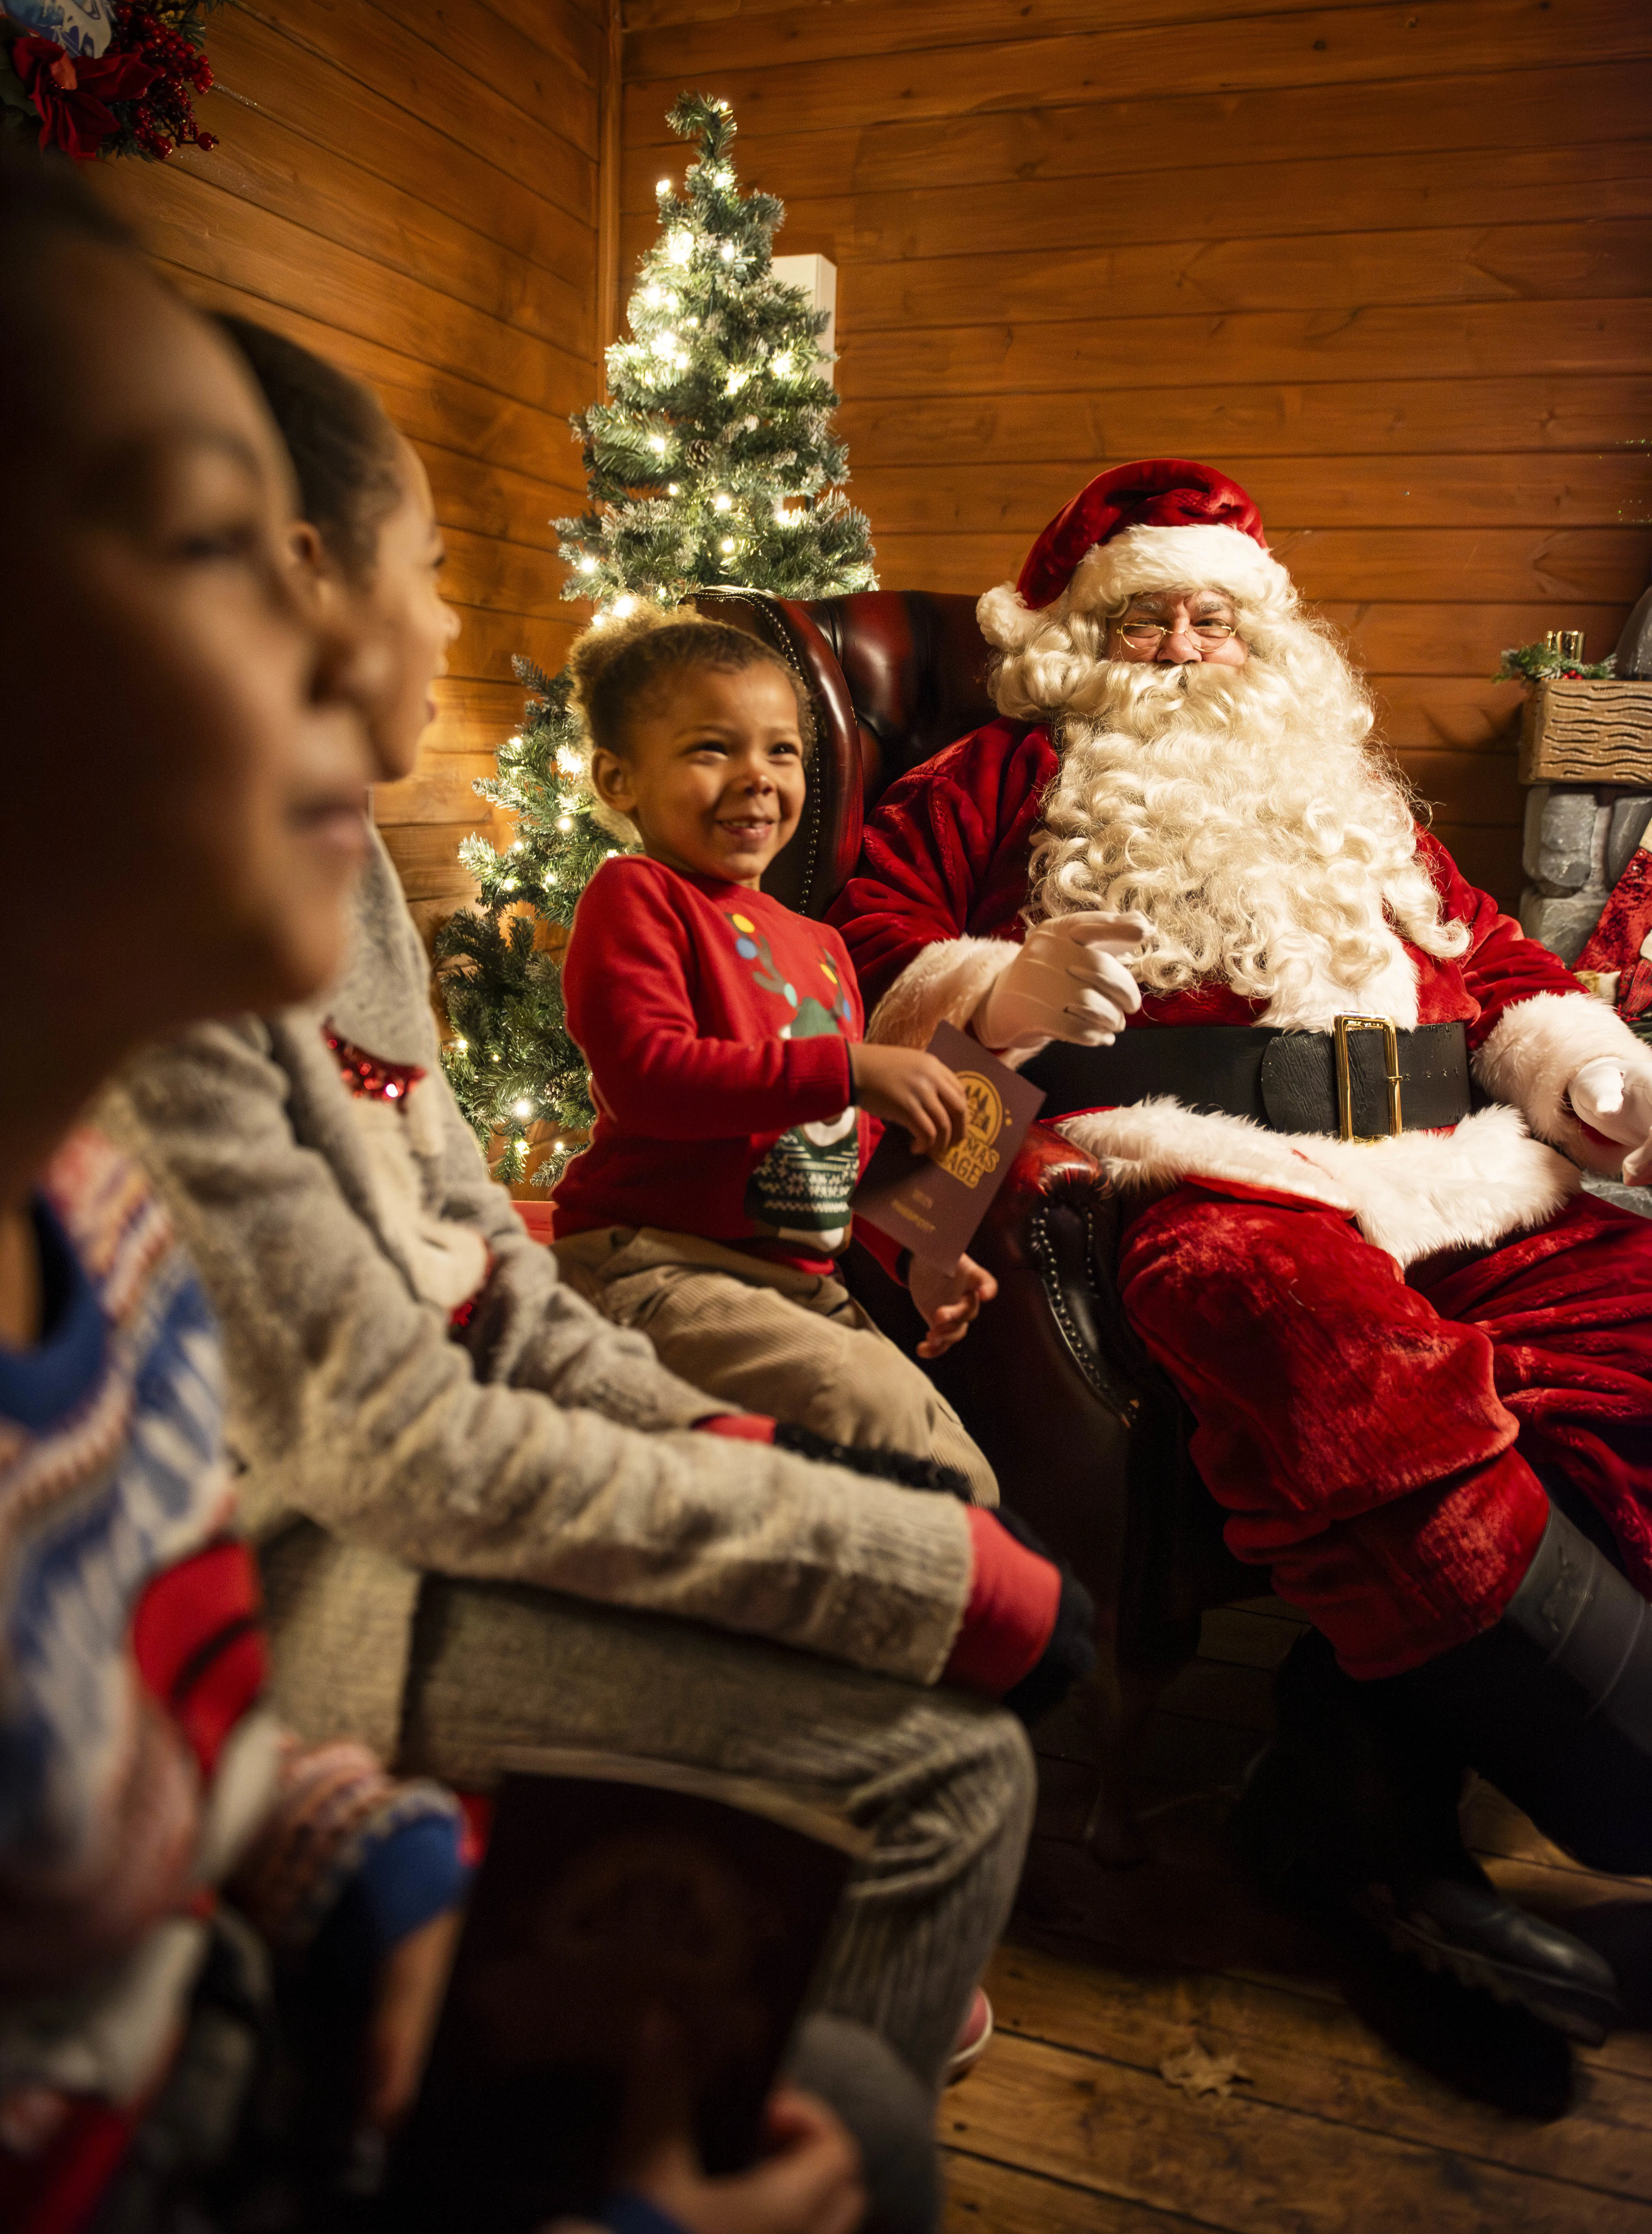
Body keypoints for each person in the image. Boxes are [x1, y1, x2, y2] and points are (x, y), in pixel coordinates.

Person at [100, 320, 1088, 2119]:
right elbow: (385, 1422)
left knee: (905, 1586)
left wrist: (746, 1442)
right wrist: (866, 1549)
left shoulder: (360, 889)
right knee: (941, 1770)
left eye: (785, 753)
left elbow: (485, 1263)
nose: (444, 618)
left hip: (570, 1400)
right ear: (316, 582)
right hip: (329, 1573)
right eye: (440, 568)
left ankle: (772, 2091)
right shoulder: (164, 945)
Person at [829, 456, 1652, 2047]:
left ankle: (1351, 1778)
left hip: (1451, 1166)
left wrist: (1574, 1060)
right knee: (1324, 1344)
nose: (1192, 646)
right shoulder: (997, 780)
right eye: (1151, 619)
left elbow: (1488, 960)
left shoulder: (1341, 793)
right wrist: (999, 990)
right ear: (1080, 637)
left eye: (1219, 617)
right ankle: (1622, 1786)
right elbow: (871, 954)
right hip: (1188, 1174)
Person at [0, 155, 477, 2228]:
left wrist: (356, 1852)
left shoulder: (93, 1214)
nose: (352, 658)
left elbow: (189, 1725)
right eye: (211, 544)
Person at [548, 607, 999, 1501]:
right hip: (655, 1265)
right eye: (713, 749)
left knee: (958, 1469)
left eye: (783, 751)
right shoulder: (639, 896)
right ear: (619, 778)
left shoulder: (821, 948)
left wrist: (924, 1248)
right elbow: (648, 1077)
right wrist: (854, 1071)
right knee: (885, 1431)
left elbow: (829, 1147)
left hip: (793, 1285)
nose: (757, 777)